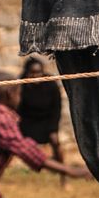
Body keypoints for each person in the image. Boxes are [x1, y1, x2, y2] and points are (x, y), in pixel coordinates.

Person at [17, 56, 66, 187]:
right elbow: (17, 109)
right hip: (27, 123)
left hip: (47, 122)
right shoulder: (21, 85)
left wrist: (53, 129)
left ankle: (63, 179)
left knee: (56, 142)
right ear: (27, 73)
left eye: (38, 72)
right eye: (32, 73)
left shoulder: (50, 84)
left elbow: (57, 108)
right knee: (13, 145)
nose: (35, 76)